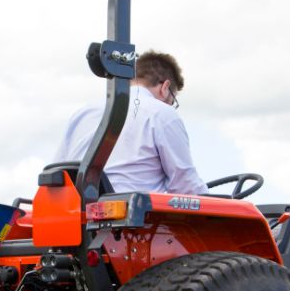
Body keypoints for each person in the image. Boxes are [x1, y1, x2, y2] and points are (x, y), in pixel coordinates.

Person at [52, 50, 209, 195]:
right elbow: (185, 186)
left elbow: (57, 171)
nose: (170, 105)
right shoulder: (162, 114)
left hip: (75, 216)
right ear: (165, 87)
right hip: (135, 219)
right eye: (172, 100)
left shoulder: (83, 114)